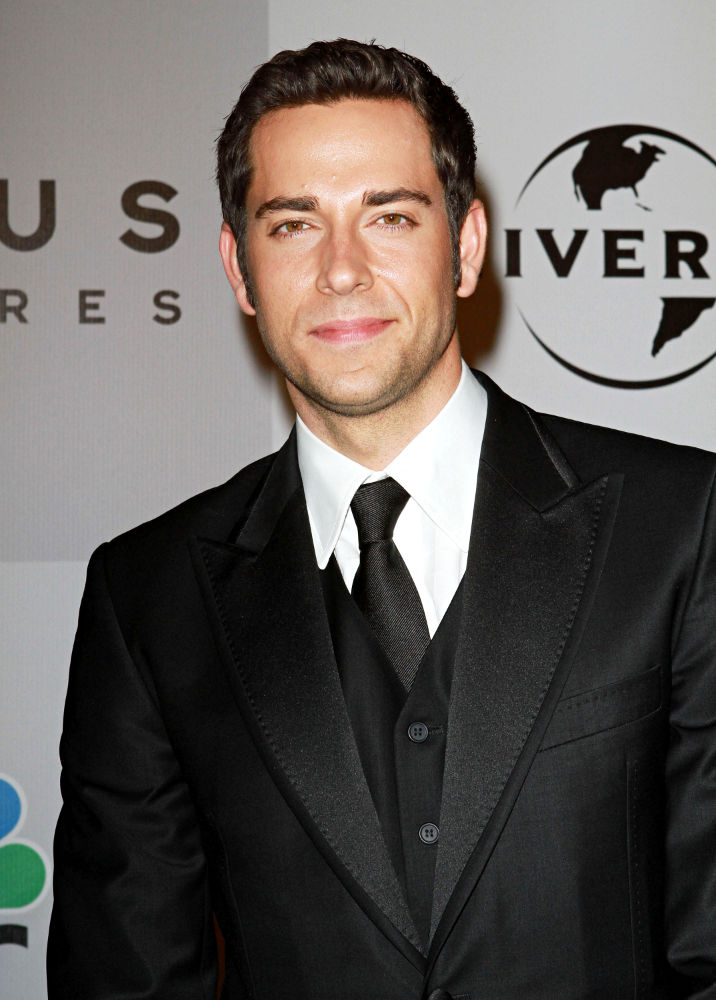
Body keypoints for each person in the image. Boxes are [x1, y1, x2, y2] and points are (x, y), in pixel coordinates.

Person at [47, 39, 716, 1000]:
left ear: (468, 246)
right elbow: (127, 977)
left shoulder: (681, 526)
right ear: (238, 269)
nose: (342, 270)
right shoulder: (147, 595)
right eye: (292, 226)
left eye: (389, 217)